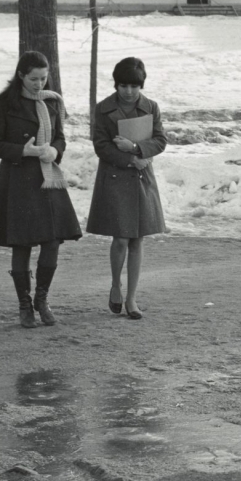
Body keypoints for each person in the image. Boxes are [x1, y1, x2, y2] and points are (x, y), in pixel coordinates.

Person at [0, 51, 82, 328]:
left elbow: (60, 137)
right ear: (20, 75)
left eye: (44, 78)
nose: (39, 84)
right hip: (18, 179)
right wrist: (22, 151)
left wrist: (54, 150)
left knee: (52, 240)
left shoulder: (52, 101)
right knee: (22, 242)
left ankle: (41, 299)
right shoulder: (5, 103)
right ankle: (24, 304)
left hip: (48, 178)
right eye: (33, 79)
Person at [86, 57, 167, 320]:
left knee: (137, 238)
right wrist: (129, 158)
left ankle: (132, 297)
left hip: (142, 176)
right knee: (120, 237)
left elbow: (160, 140)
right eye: (123, 86)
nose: (129, 91)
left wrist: (135, 148)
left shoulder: (151, 107)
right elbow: (101, 144)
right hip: (115, 175)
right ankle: (115, 285)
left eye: (134, 86)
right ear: (116, 84)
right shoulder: (103, 108)